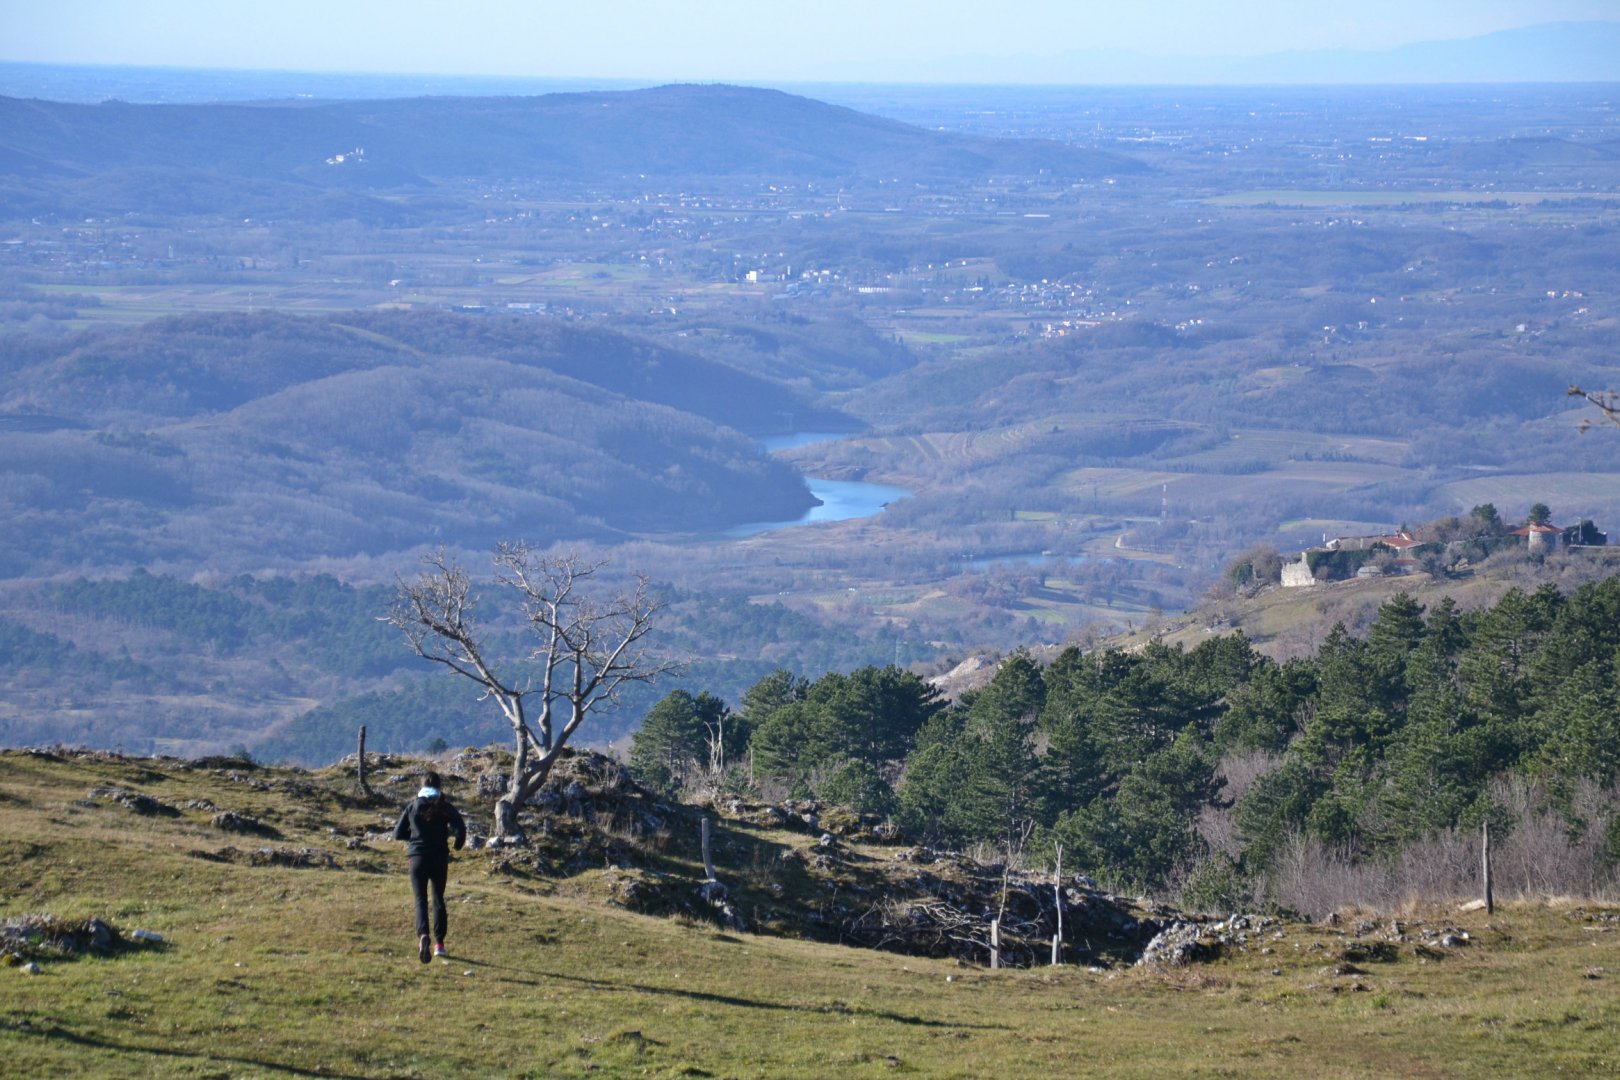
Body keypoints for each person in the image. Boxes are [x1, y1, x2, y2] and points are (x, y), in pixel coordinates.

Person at [393, 770, 467, 963]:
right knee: (438, 899)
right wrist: (457, 845)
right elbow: (461, 827)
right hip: (439, 857)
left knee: (420, 900)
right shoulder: (444, 806)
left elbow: (397, 833)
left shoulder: (412, 806)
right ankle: (439, 944)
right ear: (439, 786)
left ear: (422, 786)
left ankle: (423, 935)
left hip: (417, 858)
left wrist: (415, 838)